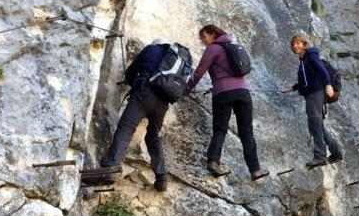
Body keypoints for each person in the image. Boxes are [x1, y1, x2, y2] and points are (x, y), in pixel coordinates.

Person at [83, 40, 177, 192]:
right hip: (163, 103)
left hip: (144, 95)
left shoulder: (151, 49)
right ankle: (161, 177)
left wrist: (131, 81)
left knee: (126, 128)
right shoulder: (173, 59)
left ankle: (111, 167)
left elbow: (132, 71)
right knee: (153, 137)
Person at [187, 24, 269, 180]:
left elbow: (199, 72)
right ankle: (255, 170)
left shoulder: (213, 49)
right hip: (243, 92)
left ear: (213, 34)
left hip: (222, 94)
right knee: (246, 132)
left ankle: (213, 162)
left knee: (220, 129)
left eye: (204, 37)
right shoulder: (233, 45)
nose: (203, 41)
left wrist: (186, 89)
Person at [289, 32, 343, 168]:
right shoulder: (303, 61)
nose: (295, 46)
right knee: (317, 125)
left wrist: (328, 84)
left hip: (316, 93)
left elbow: (322, 71)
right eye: (293, 44)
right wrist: (295, 87)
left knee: (314, 123)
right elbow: (308, 79)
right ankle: (336, 153)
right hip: (312, 94)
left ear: (304, 44)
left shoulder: (311, 56)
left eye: (298, 43)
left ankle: (319, 156)